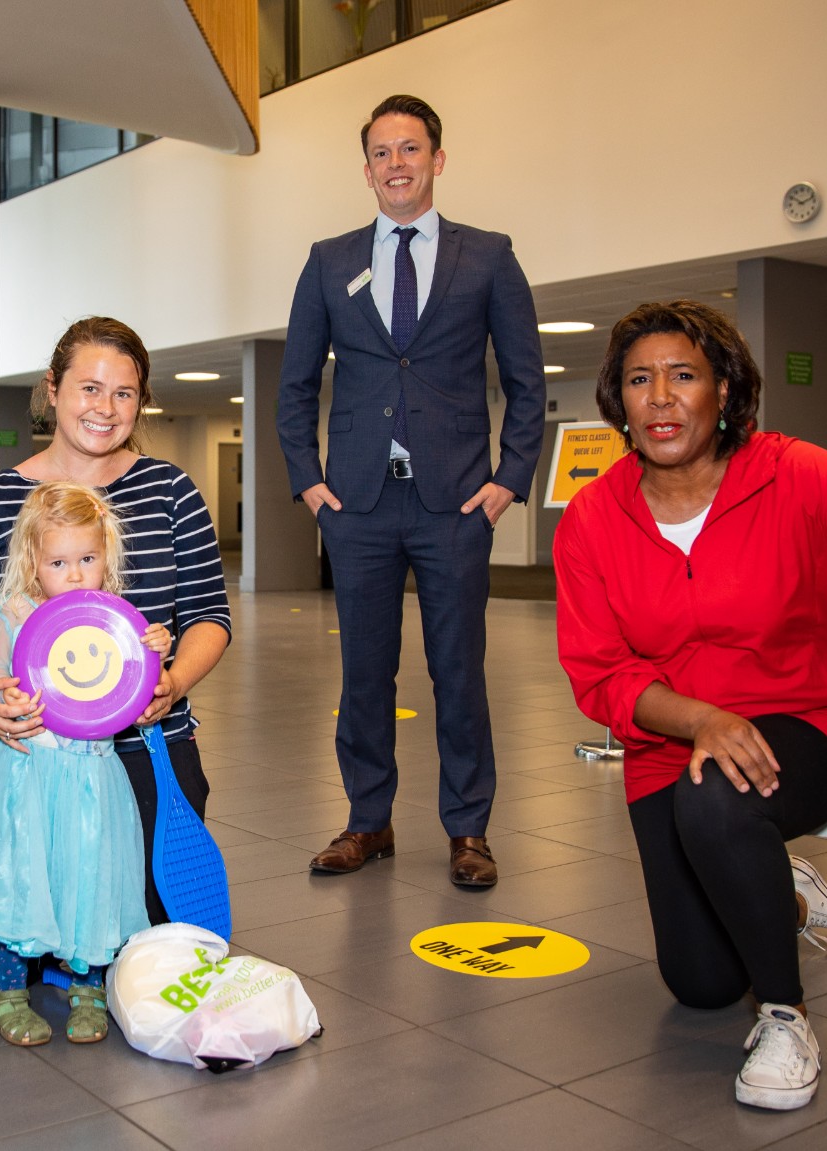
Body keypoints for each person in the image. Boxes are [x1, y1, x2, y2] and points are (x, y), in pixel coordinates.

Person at [554, 303, 827, 1110]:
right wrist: (700, 719)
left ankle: (785, 1014)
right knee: (698, 983)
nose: (660, 397)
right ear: (617, 402)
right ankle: (788, 894)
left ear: (723, 390)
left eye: (683, 375)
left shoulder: (799, 476)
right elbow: (600, 672)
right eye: (638, 380)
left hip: (812, 720)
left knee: (717, 801)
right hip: (670, 746)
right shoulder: (592, 518)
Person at [277, 93, 545, 888]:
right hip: (356, 504)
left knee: (458, 669)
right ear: (367, 169)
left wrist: (507, 482)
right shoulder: (329, 260)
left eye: (411, 149)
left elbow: (526, 384)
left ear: (437, 159)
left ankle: (469, 830)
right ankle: (368, 820)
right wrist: (310, 485)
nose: (397, 163)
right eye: (383, 152)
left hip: (458, 503)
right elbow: (294, 387)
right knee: (364, 672)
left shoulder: (488, 255)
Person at [0, 316, 231, 981]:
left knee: (142, 951)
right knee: (15, 954)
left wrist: (173, 682)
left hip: (147, 752)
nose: (106, 407)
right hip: (30, 755)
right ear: (52, 391)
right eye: (89, 387)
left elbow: (211, 616)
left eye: (124, 393)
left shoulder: (171, 492)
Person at [0, 481, 172, 1045]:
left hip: (93, 776)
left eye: (87, 559)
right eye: (58, 561)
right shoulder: (16, 612)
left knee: (91, 874)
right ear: (32, 560)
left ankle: (89, 987)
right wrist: (2, 698)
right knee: (24, 876)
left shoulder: (114, 620)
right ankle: (5, 990)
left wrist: (153, 652)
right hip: (29, 774)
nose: (75, 574)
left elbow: (130, 692)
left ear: (107, 556)